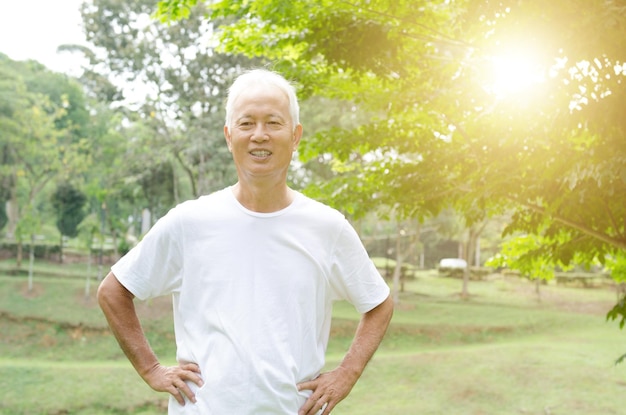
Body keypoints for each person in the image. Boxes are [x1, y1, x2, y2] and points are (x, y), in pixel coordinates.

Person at [97, 68, 393, 415]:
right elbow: (113, 291)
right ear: (228, 135)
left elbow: (378, 303)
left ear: (295, 136)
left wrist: (346, 374)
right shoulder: (189, 222)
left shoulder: (327, 227)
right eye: (247, 123)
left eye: (273, 122)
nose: (259, 135)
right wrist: (151, 369)